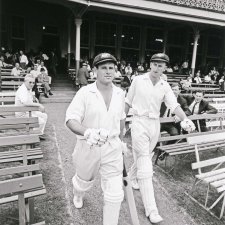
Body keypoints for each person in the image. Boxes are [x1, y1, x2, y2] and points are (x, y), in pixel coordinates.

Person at [125, 53, 195, 224]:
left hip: (154, 124)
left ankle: (129, 179)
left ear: (165, 67)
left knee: (145, 158)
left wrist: (185, 119)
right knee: (145, 166)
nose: (157, 68)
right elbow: (127, 102)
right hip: (139, 122)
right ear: (150, 65)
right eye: (154, 64)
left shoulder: (165, 85)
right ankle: (152, 210)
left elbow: (174, 105)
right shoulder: (138, 80)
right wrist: (119, 123)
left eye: (161, 65)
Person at [66, 53, 126, 225]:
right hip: (88, 145)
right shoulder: (85, 92)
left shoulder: (120, 93)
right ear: (94, 71)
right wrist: (87, 133)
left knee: (115, 194)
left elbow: (121, 119)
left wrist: (121, 141)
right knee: (82, 182)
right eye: (103, 68)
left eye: (111, 68)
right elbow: (71, 119)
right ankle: (78, 193)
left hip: (112, 147)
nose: (108, 71)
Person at [15, 74, 48, 140]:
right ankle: (34, 136)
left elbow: (29, 98)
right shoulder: (23, 90)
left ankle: (39, 134)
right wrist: (39, 105)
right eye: (30, 82)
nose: (32, 84)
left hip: (28, 111)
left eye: (33, 82)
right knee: (41, 121)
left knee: (44, 116)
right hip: (22, 114)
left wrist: (34, 97)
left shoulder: (28, 88)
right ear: (25, 82)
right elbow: (25, 102)